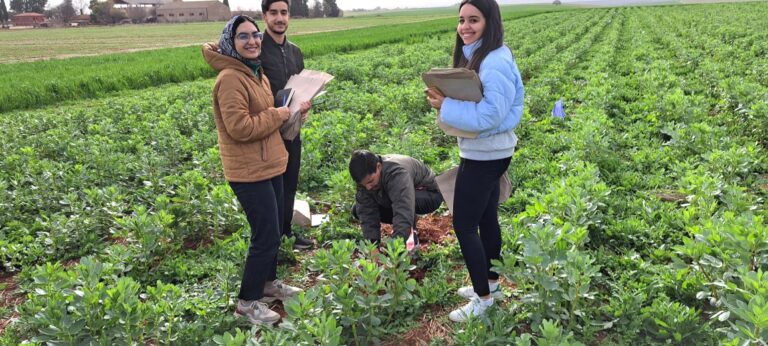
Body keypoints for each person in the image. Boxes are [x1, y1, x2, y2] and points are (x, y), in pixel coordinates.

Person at [425, 0, 524, 322]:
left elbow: (489, 115)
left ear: (489, 22)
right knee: (486, 219)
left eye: (474, 20)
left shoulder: (493, 62)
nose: (465, 27)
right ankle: (492, 285)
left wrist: (445, 106)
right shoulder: (485, 56)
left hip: (484, 155)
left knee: (464, 225)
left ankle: (482, 299)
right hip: (490, 151)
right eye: (461, 20)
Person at [202, 15, 302, 325]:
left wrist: (293, 109)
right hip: (248, 172)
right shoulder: (230, 78)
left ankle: (268, 284)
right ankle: (247, 301)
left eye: (255, 35)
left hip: (268, 164)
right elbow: (240, 127)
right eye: (243, 36)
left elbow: (270, 113)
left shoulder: (255, 74)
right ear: (229, 43)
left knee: (272, 231)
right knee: (266, 235)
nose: (252, 41)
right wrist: (277, 113)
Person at [260, 0, 314, 250]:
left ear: (289, 16)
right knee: (272, 187)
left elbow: (302, 87)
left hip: (292, 129)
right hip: (267, 130)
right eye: (274, 13)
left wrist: (306, 104)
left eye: (283, 13)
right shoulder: (256, 49)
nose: (279, 18)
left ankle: (286, 234)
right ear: (264, 16)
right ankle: (271, 240)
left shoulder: (295, 51)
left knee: (290, 181)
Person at [349, 150, 443, 247]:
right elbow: (366, 211)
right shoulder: (364, 178)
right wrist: (372, 246)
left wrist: (396, 248)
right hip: (401, 196)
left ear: (378, 167)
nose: (368, 187)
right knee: (358, 209)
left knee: (399, 205)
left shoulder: (396, 173)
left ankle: (410, 240)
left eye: (370, 181)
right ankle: (408, 225)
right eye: (364, 185)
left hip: (430, 194)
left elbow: (403, 207)